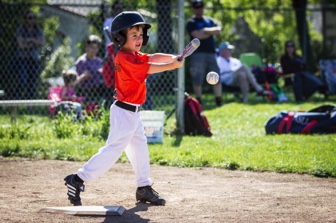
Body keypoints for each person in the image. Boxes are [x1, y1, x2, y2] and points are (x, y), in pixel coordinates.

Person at [64, 11, 184, 206]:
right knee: (112, 151)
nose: (139, 39)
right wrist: (172, 65)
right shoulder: (125, 57)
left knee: (140, 148)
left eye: (140, 35)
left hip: (131, 113)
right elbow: (151, 68)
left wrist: (173, 57)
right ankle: (77, 179)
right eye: (133, 35)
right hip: (124, 112)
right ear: (120, 38)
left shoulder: (135, 55)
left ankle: (143, 187)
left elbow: (152, 57)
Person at [186, 0, 222, 106]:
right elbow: (198, 36)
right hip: (197, 54)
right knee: (197, 78)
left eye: (201, 7)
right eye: (196, 7)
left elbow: (218, 30)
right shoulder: (191, 22)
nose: (199, 9)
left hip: (211, 53)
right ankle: (199, 101)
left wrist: (205, 30)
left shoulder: (209, 20)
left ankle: (218, 100)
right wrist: (211, 33)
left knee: (216, 76)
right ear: (193, 9)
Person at [15, 10, 45, 99]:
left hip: (34, 59)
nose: (32, 20)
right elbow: (21, 45)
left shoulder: (38, 30)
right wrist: (35, 42)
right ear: (25, 19)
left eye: (33, 18)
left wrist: (29, 40)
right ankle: (18, 99)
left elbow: (42, 43)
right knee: (22, 80)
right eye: (29, 18)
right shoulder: (21, 30)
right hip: (22, 58)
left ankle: (30, 103)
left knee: (33, 81)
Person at [75, 35, 109, 104]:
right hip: (88, 89)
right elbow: (80, 78)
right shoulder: (82, 61)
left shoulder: (99, 61)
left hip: (100, 86)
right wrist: (85, 75)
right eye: (92, 47)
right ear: (86, 47)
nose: (94, 50)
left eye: (96, 48)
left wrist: (103, 73)